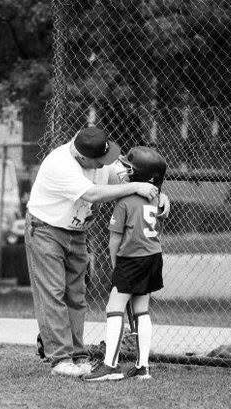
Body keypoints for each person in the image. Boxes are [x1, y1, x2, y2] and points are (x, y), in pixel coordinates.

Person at [26, 127, 166, 377]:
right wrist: (134, 188)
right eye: (100, 161)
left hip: (76, 233)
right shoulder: (60, 164)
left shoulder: (99, 159)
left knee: (76, 295)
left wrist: (157, 193)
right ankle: (60, 359)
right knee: (53, 294)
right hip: (46, 229)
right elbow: (92, 193)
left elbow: (129, 178)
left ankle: (78, 355)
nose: (106, 165)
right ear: (83, 158)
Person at [83, 147, 167, 382]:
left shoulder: (125, 202)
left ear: (144, 177)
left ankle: (110, 366)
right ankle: (143, 367)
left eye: (131, 169)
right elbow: (160, 204)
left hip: (131, 259)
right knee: (141, 310)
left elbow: (114, 240)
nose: (126, 172)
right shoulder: (155, 197)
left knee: (114, 308)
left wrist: (115, 266)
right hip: (153, 256)